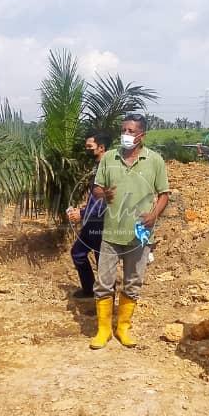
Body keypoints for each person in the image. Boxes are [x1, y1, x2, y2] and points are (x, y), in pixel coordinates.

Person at [90, 114, 170, 349]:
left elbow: (164, 194)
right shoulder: (109, 159)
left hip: (139, 235)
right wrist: (103, 195)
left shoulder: (154, 160)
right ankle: (103, 329)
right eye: (123, 130)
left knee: (133, 282)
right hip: (111, 234)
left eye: (131, 131)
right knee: (104, 282)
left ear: (141, 135)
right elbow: (96, 189)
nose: (125, 134)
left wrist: (154, 215)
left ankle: (123, 327)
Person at [66, 132, 110, 299]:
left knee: (103, 262)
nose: (87, 150)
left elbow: (105, 200)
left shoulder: (107, 169)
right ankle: (89, 289)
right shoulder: (98, 168)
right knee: (78, 252)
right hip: (92, 222)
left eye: (89, 147)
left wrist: (82, 213)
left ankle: (106, 299)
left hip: (102, 223)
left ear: (101, 147)